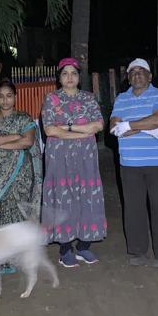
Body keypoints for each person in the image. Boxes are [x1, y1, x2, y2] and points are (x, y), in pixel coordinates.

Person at [40, 57, 107, 268]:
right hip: (59, 157)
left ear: (79, 77)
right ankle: (65, 249)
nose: (69, 77)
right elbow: (49, 130)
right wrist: (81, 131)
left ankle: (84, 246)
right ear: (59, 78)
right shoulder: (51, 99)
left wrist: (66, 127)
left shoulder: (88, 98)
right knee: (63, 197)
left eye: (74, 73)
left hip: (85, 157)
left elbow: (99, 125)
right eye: (65, 73)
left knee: (87, 196)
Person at [110, 58, 158, 268]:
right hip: (129, 163)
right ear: (128, 78)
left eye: (141, 71)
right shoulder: (121, 98)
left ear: (150, 76)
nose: (137, 75)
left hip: (157, 162)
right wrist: (146, 128)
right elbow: (114, 128)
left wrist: (128, 126)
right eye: (133, 72)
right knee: (133, 208)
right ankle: (137, 251)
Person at [0, 79, 42, 273]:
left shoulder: (24, 117)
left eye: (9, 96)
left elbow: (28, 141)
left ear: (15, 97)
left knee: (17, 211)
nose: (5, 100)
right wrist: (16, 136)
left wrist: (1, 142)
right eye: (1, 96)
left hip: (20, 173)